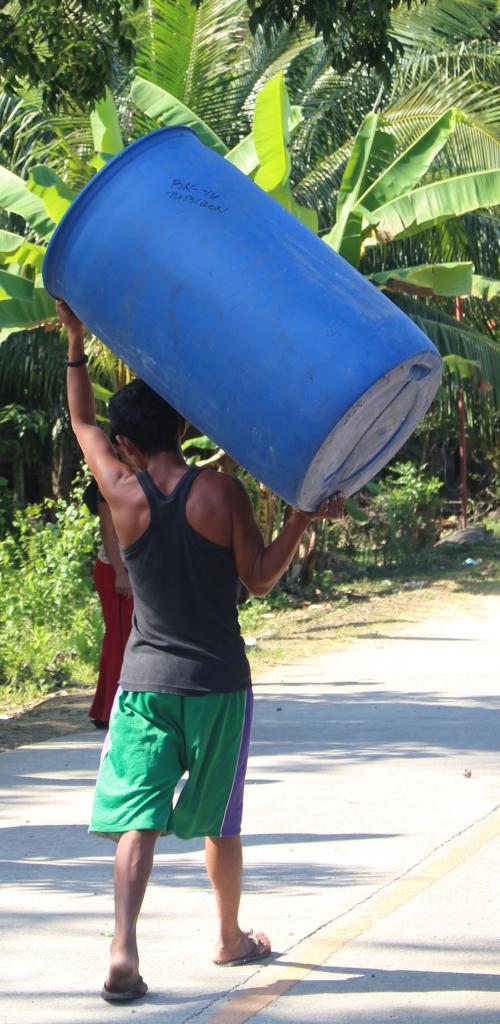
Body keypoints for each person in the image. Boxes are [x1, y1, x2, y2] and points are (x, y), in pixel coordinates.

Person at [58, 298, 345, 1004]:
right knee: (221, 820)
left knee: (137, 820)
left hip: (145, 683)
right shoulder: (221, 493)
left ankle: (123, 949)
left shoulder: (119, 493)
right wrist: (302, 515)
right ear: (183, 428)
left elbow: (82, 421)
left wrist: (74, 338)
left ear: (127, 446)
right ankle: (227, 937)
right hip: (218, 685)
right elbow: (261, 579)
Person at [89, 484, 134, 727]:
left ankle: (104, 709)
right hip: (114, 571)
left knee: (129, 638)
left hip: (137, 571)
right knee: (119, 639)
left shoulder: (144, 476)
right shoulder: (107, 485)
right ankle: (110, 710)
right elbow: (108, 532)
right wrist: (120, 574)